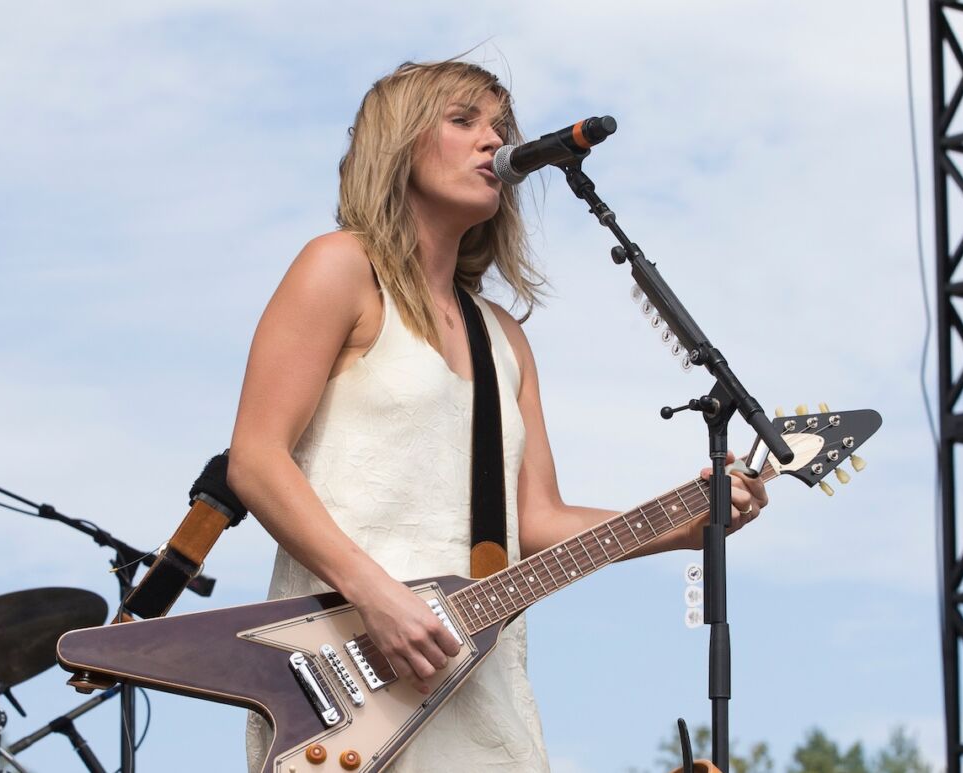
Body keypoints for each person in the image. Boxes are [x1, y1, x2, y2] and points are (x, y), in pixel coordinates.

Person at [225, 59, 768, 771]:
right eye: (464, 121)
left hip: (478, 690)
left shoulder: (504, 340)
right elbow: (256, 459)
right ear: (400, 143)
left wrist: (688, 524)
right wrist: (376, 593)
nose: (494, 141)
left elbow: (535, 522)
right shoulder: (339, 268)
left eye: (501, 128)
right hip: (345, 676)